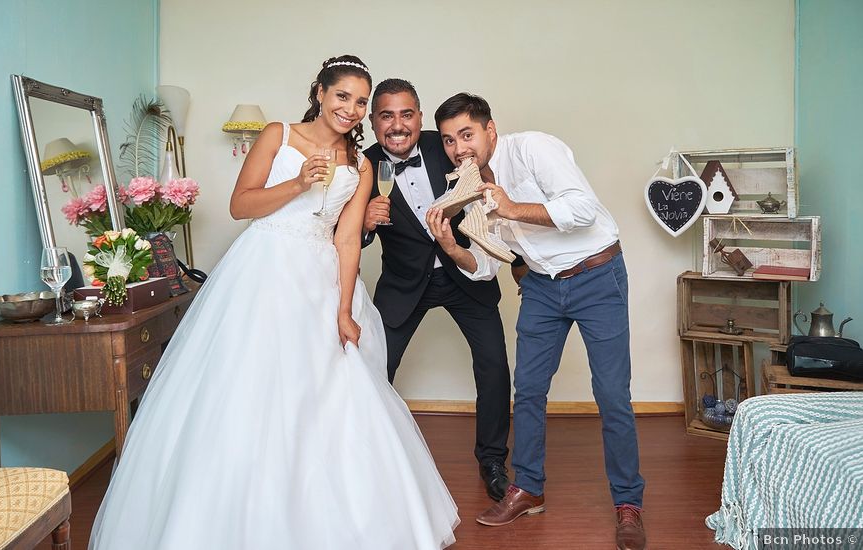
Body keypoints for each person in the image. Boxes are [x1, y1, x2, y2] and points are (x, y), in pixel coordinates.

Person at [89, 56, 459, 550]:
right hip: (261, 272)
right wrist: (299, 183)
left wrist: (344, 310)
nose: (351, 110)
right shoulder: (277, 134)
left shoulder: (362, 164)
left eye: (360, 103)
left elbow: (348, 240)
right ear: (321, 92)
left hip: (320, 279)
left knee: (328, 393)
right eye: (343, 96)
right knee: (248, 389)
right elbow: (240, 206)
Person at [427, 93, 647, 550]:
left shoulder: (534, 149)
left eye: (467, 134)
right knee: (527, 390)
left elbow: (582, 209)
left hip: (596, 274)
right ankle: (528, 488)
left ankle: (628, 504)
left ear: (490, 130)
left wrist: (510, 208)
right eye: (449, 141)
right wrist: (450, 246)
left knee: (611, 394)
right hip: (543, 287)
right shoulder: (466, 189)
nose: (458, 148)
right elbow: (490, 265)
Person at [361, 79, 512, 501]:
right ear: (374, 122)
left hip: (465, 272)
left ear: (420, 117)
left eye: (406, 114)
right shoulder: (363, 167)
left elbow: (488, 178)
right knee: (372, 368)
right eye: (386, 115)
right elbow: (345, 238)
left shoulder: (444, 143)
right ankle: (370, 456)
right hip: (405, 284)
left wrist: (517, 258)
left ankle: (493, 459)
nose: (397, 124)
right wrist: (367, 226)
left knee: (494, 368)